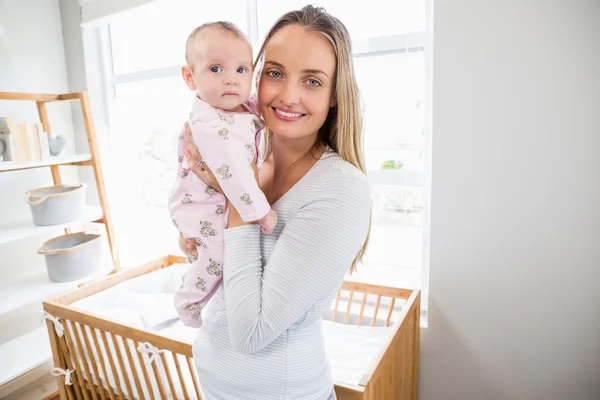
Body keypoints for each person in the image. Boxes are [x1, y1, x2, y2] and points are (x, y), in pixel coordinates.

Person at [178, 5, 371, 399]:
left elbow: (252, 332)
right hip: (217, 385)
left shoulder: (340, 189)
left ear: (335, 95)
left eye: (313, 81)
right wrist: (194, 242)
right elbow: (232, 279)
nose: (288, 95)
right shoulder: (250, 160)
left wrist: (236, 197)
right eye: (275, 72)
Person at [169, 21, 278, 328]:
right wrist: (261, 213)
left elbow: (256, 110)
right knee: (215, 255)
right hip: (199, 205)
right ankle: (188, 300)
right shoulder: (211, 127)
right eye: (216, 69)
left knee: (210, 253)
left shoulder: (236, 107)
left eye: (241, 70)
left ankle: (192, 278)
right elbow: (236, 177)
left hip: (211, 203)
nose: (231, 80)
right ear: (190, 78)